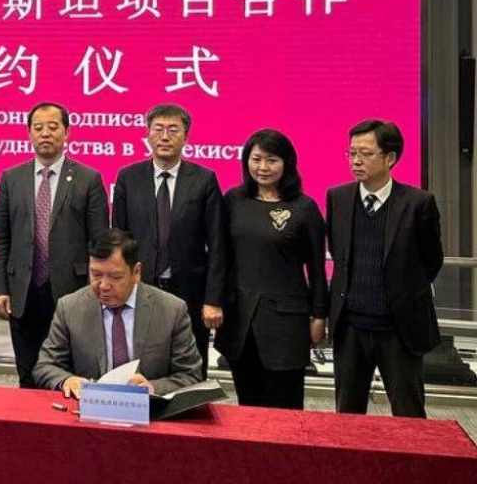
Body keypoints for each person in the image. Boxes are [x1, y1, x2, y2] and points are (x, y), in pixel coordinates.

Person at [327, 120, 443, 418]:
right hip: (351, 327)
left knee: (408, 414)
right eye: (352, 153)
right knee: (347, 415)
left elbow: (432, 261)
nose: (356, 161)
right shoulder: (338, 198)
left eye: (365, 153)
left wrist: (402, 292)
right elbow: (340, 255)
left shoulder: (418, 203)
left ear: (390, 158)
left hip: (399, 329)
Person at [0, 102, 109, 388]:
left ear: (67, 132)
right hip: (23, 290)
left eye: (53, 127)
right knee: (28, 374)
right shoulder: (12, 178)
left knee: (70, 373)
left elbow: (99, 242)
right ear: (29, 133)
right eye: (38, 127)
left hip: (72, 291)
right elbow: (0, 238)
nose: (45, 133)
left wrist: (96, 289)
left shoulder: (88, 178)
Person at [112, 103, 227, 377]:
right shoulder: (128, 177)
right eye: (158, 129)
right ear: (148, 135)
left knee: (190, 369)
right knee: (139, 368)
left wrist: (213, 299)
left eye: (173, 130)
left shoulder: (204, 179)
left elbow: (218, 244)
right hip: (140, 289)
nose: (164, 137)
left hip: (190, 292)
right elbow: (119, 239)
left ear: (186, 137)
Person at [214, 130, 327, 410]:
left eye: (271, 160)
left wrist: (319, 316)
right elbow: (220, 258)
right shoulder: (234, 200)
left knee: (285, 408)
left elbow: (317, 269)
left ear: (287, 163)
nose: (262, 167)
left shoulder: (304, 208)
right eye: (256, 159)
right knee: (247, 406)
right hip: (240, 321)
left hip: (286, 324)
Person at [33, 228, 203, 397]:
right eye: (96, 275)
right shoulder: (70, 308)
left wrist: (152, 388)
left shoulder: (171, 310)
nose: (104, 286)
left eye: (115, 277)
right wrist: (66, 380)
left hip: (150, 410)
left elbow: (190, 375)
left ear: (136, 272)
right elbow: (45, 366)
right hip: (87, 407)